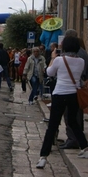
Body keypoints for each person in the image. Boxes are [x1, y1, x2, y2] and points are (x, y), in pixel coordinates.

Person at [36, 36, 88, 169]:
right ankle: (85, 146)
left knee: (53, 125)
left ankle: (43, 156)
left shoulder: (59, 60)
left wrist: (53, 58)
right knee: (72, 121)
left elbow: (49, 72)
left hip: (60, 94)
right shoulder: (81, 61)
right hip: (73, 95)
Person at [59, 29, 88, 149]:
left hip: (71, 88)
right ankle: (76, 138)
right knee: (77, 115)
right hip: (79, 87)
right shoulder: (83, 53)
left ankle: (73, 139)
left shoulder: (72, 55)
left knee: (70, 116)